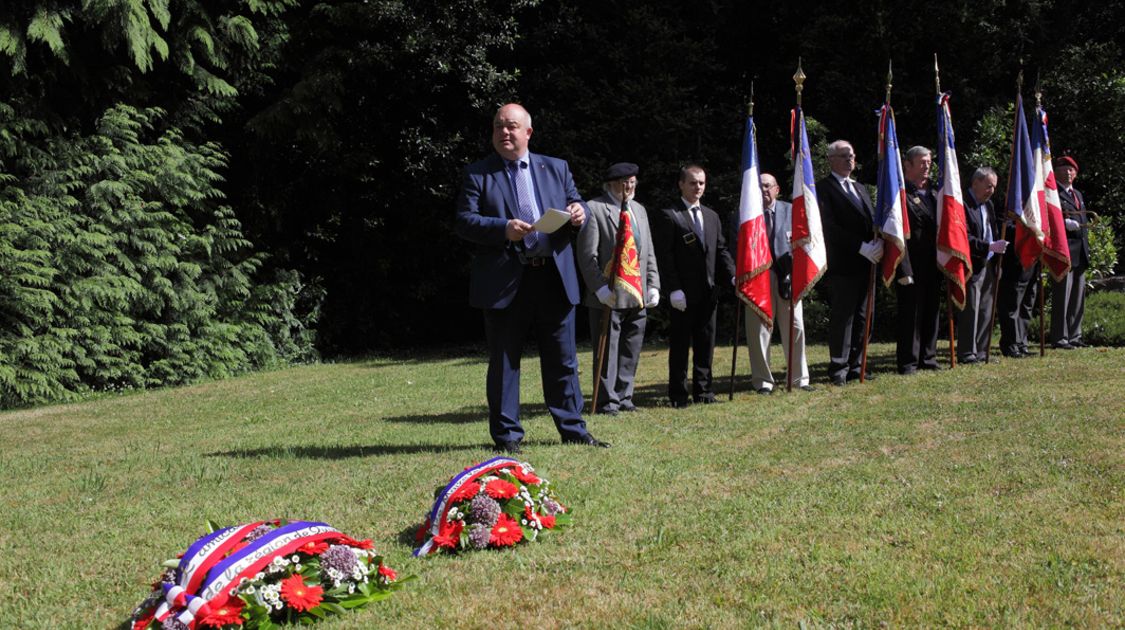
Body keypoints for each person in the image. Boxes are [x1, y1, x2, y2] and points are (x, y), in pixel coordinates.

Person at [454, 103, 609, 453]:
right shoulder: (479, 174)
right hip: (505, 281)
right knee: (505, 361)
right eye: (497, 127)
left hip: (553, 277)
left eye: (510, 126)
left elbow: (575, 204)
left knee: (563, 359)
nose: (503, 132)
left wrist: (579, 211)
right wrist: (502, 229)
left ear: (528, 132)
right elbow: (464, 221)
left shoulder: (555, 168)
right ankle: (508, 437)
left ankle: (573, 429)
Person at [576, 162, 661, 415]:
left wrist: (653, 284)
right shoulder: (595, 209)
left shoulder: (639, 210)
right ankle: (607, 400)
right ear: (611, 184)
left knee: (631, 347)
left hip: (637, 293)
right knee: (608, 349)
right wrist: (599, 289)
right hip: (608, 296)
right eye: (625, 183)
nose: (630, 187)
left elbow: (648, 252)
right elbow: (586, 256)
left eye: (633, 182)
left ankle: (625, 396)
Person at [653, 164, 735, 407]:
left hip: (709, 293)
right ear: (681, 184)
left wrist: (732, 276)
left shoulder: (711, 216)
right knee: (679, 346)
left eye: (701, 183)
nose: (697, 187)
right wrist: (673, 288)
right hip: (683, 295)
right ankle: (678, 395)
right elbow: (665, 256)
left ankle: (704, 392)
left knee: (705, 345)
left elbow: (720, 251)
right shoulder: (670, 214)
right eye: (692, 182)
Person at [730, 172, 813, 393]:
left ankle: (799, 379)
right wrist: (736, 274)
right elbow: (734, 247)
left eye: (768, 186)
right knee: (758, 332)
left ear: (777, 189)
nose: (764, 190)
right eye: (760, 186)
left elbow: (804, 241)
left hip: (788, 278)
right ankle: (763, 382)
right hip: (757, 279)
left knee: (795, 327)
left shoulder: (792, 210)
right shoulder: (744, 214)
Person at [817, 140, 881, 385]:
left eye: (851, 155)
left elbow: (869, 220)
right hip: (844, 263)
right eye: (844, 156)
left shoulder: (860, 187)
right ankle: (838, 367)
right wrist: (860, 246)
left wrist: (877, 243)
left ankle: (857, 364)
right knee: (844, 317)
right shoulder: (824, 188)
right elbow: (829, 227)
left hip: (867, 263)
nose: (849, 160)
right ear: (831, 159)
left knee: (865, 316)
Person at [895, 146, 942, 374]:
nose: (927, 166)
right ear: (908, 165)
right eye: (922, 162)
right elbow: (896, 233)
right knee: (910, 314)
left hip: (934, 263)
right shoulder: (900, 193)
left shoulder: (935, 193)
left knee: (932, 311)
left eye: (929, 162)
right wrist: (903, 268)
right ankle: (908, 362)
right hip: (911, 263)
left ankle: (928, 358)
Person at [957, 167, 1008, 364]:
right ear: (975, 183)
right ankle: (967, 353)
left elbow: (992, 230)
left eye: (994, 187)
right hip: (972, 264)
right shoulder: (963, 204)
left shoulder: (988, 206)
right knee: (971, 309)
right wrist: (988, 246)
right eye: (988, 186)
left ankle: (981, 351)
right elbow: (964, 237)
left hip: (989, 263)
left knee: (986, 309)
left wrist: (996, 254)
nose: (992, 191)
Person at [1051, 155, 1091, 349]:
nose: (1068, 173)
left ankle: (1075, 335)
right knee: (1062, 297)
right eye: (1064, 169)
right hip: (1065, 252)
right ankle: (1060, 337)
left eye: (1071, 170)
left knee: (1077, 297)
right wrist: (1064, 224)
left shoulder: (1078, 194)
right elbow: (1050, 218)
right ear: (1056, 171)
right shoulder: (1053, 193)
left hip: (1080, 252)